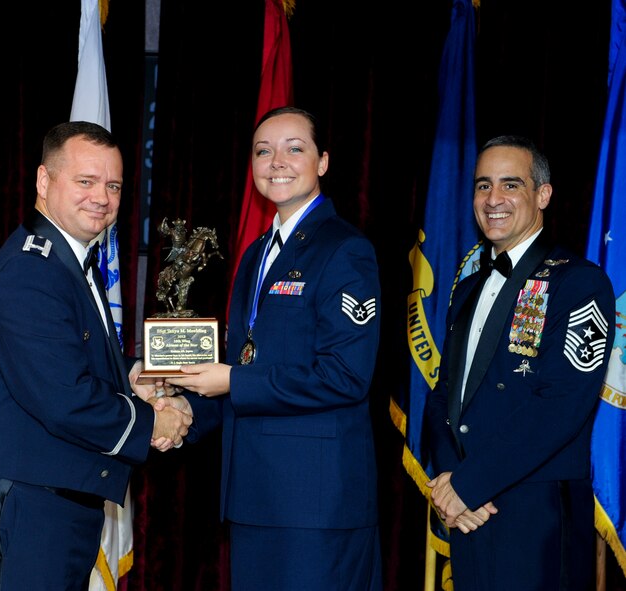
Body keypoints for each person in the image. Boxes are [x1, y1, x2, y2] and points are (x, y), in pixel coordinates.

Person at [0, 121, 192, 590]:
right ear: (44, 181)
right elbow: (62, 397)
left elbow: (71, 361)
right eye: (85, 181)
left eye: (113, 184)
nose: (101, 196)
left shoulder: (70, 262)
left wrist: (131, 380)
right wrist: (152, 422)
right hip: (22, 507)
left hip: (52, 505)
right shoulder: (31, 271)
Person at [163, 106, 383, 590]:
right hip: (253, 496)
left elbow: (346, 376)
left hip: (316, 505)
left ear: (322, 162)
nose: (276, 161)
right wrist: (182, 411)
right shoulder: (255, 254)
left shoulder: (344, 250)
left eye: (294, 148)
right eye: (264, 151)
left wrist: (231, 381)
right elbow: (246, 366)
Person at [425, 135, 616, 590]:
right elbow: (444, 394)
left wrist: (468, 484)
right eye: (483, 186)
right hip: (471, 514)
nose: (493, 200)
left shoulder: (579, 283)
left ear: (542, 195)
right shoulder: (468, 289)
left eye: (510, 185)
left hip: (537, 512)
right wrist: (449, 485)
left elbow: (560, 406)